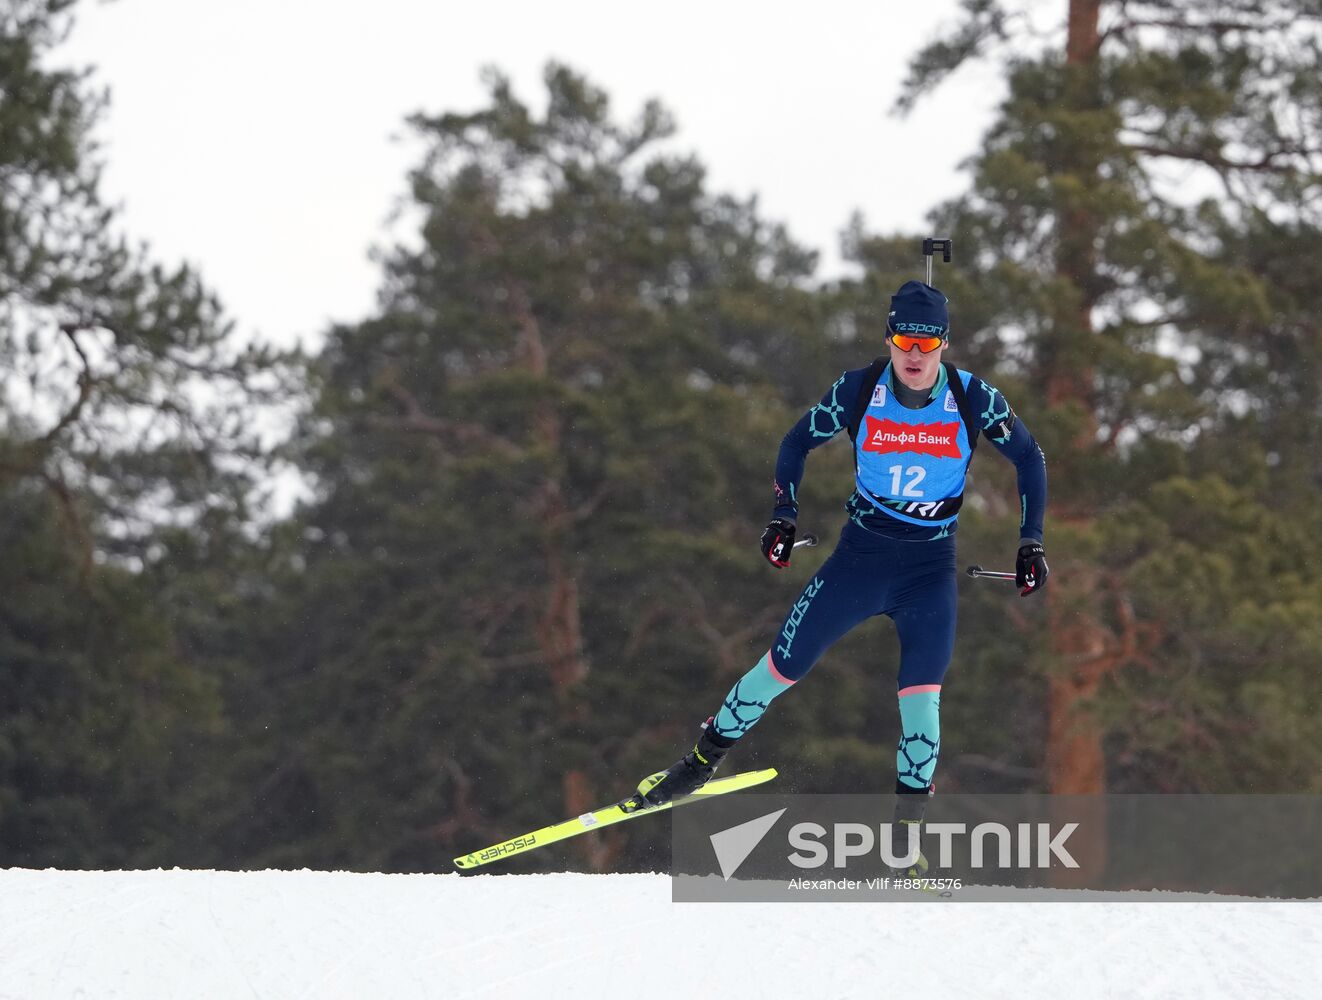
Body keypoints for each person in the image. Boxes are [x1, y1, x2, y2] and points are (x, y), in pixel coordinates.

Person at [626, 279, 1049, 862]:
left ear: (945, 344)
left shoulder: (973, 397)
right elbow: (795, 443)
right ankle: (695, 766)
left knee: (921, 703)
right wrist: (782, 516)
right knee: (781, 667)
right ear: (889, 337)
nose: (915, 356)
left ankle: (906, 844)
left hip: (929, 569)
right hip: (861, 558)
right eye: (905, 340)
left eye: (928, 343)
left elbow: (1029, 456)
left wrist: (1031, 542)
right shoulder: (859, 390)